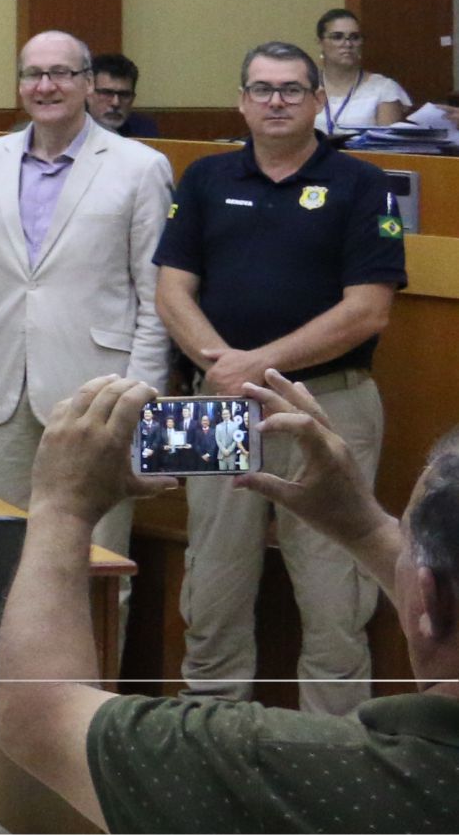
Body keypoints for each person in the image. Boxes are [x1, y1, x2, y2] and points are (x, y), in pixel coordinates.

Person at [0, 373, 459, 832]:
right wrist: (365, 528)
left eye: (404, 539)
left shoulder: (299, 771)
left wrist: (62, 506)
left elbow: (40, 717)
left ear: (432, 598)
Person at [157, 39, 408, 717]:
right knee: (210, 585)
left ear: (317, 101)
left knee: (335, 595)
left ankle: (334, 759)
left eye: (291, 89)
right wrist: (221, 365)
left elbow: (368, 312)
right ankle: (207, 743)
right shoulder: (205, 178)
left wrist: (255, 364)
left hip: (327, 405)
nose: (275, 101)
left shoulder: (364, 184)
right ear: (241, 101)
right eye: (262, 89)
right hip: (211, 407)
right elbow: (171, 292)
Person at [0, 31, 171, 554]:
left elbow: (155, 298)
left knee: (97, 561)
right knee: (11, 559)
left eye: (61, 74)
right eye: (33, 74)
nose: (45, 86)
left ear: (89, 83)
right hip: (4, 390)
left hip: (99, 395)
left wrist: (139, 398)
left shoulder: (140, 167)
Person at [315, 6, 413, 138]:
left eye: (354, 37)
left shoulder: (384, 88)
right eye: (337, 37)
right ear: (320, 42)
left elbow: (388, 148)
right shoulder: (306, 86)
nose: (348, 44)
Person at [88, 52, 160, 139]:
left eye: (124, 95)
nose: (116, 103)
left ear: (133, 98)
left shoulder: (145, 130)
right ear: (88, 94)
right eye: (107, 93)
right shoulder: (71, 128)